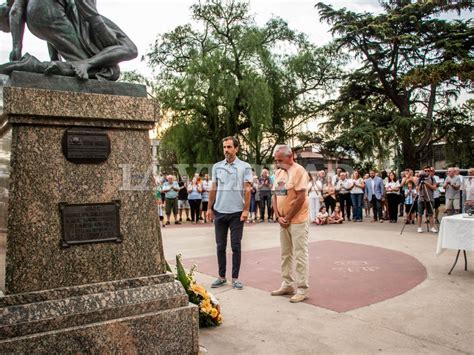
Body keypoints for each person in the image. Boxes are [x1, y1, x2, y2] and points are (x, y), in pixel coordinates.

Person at [0, 0, 138, 80]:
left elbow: (15, 11)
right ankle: (38, 66)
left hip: (57, 13)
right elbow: (54, 39)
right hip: (60, 11)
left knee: (110, 69)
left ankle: (46, 66)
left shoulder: (12, 8)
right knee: (107, 70)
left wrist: (16, 49)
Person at [207, 136, 252, 290]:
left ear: (236, 148)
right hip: (219, 211)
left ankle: (235, 278)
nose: (226, 150)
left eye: (229, 147)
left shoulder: (245, 167)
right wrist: (209, 208)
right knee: (220, 246)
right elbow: (213, 188)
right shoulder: (217, 167)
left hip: (236, 212)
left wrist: (246, 209)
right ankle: (221, 277)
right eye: (224, 147)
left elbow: (247, 189)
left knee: (236, 246)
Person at [271, 144, 309, 303]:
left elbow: (301, 197)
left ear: (290, 156)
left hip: (298, 219)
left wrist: (288, 217)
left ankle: (302, 288)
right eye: (275, 160)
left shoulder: (299, 171)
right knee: (285, 253)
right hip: (283, 220)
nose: (277, 163)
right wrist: (278, 216)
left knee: (300, 254)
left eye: (279, 160)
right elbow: (275, 195)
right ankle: (287, 283)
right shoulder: (279, 172)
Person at [416, 166, 438, 233]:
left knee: (430, 214)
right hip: (421, 198)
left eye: (428, 170)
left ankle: (432, 227)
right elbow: (417, 189)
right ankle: (419, 227)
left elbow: (434, 188)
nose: (427, 172)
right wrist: (421, 183)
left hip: (430, 198)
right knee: (420, 213)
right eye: (425, 170)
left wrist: (426, 183)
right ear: (423, 171)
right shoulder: (419, 179)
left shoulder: (432, 178)